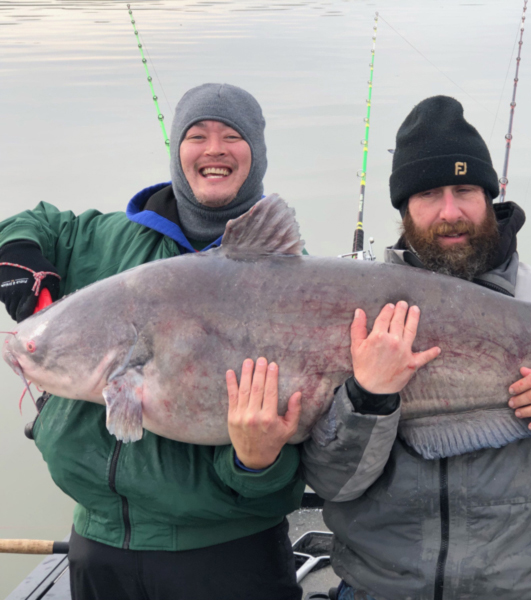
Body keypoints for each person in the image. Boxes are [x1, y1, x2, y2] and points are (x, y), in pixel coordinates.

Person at [301, 96, 531, 600]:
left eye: (465, 190)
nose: (450, 212)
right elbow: (333, 483)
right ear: (404, 208)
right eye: (429, 193)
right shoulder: (358, 315)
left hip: (527, 590)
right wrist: (368, 397)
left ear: (490, 196)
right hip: (379, 589)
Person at [0, 83, 304, 600]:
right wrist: (24, 261)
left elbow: (294, 471)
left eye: (232, 136)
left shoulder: (287, 288)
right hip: (98, 543)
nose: (214, 148)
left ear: (256, 155)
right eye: (197, 135)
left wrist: (257, 461)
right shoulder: (109, 240)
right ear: (176, 152)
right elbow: (36, 223)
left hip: (227, 552)